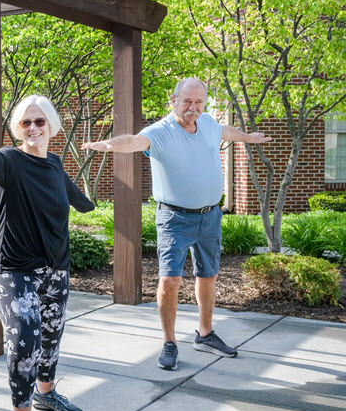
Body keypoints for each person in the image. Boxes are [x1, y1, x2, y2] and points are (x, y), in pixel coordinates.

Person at [82, 77, 271, 371]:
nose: (193, 108)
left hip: (210, 216)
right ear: (173, 101)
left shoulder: (207, 123)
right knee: (170, 280)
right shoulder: (160, 132)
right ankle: (170, 342)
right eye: (187, 102)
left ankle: (205, 334)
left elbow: (225, 131)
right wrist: (108, 144)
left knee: (208, 275)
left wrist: (248, 137)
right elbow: (133, 141)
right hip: (174, 218)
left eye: (199, 102)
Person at [0, 95, 94, 411]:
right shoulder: (11, 160)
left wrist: (88, 204)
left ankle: (47, 394)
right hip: (13, 267)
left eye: (39, 122)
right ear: (17, 129)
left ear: (52, 126)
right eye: (25, 123)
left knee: (50, 336)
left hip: (55, 267)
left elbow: (74, 196)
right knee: (23, 340)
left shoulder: (54, 164)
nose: (33, 128)